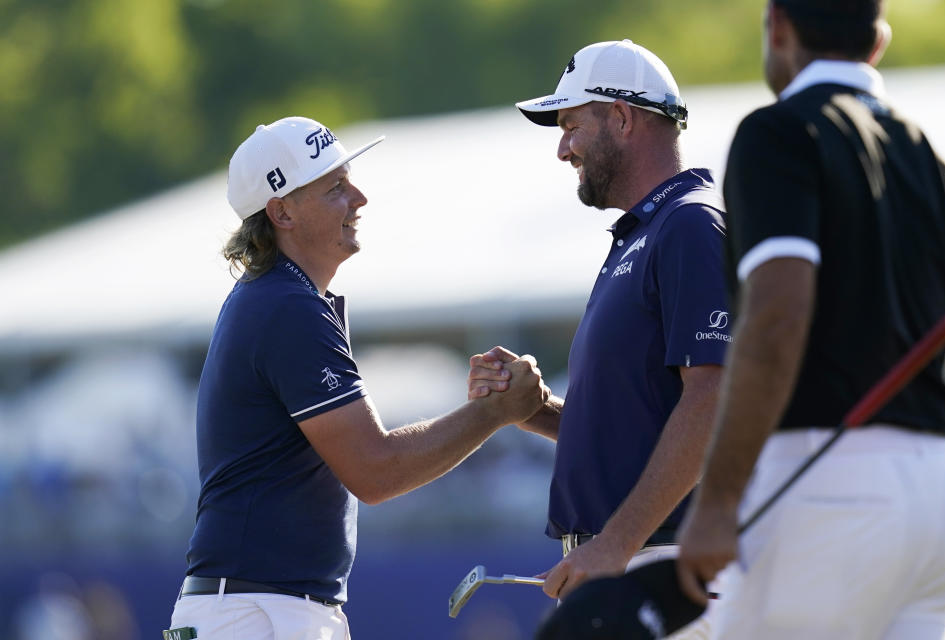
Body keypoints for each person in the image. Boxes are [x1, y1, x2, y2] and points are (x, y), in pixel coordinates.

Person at [165, 116, 550, 640]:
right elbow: (376, 471)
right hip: (260, 611)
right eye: (335, 188)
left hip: (258, 605)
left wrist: (493, 412)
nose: (360, 198)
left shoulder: (279, 299)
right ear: (282, 211)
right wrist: (494, 412)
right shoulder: (286, 306)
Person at [676, 1, 945, 638]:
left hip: (829, 488)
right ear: (878, 41)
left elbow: (776, 317)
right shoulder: (932, 163)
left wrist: (717, 500)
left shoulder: (777, 134)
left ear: (778, 26)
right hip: (938, 500)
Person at [470, 40, 730, 637]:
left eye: (569, 125)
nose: (562, 149)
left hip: (663, 566)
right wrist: (531, 411)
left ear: (621, 116)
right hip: (630, 559)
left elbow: (713, 400)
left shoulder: (688, 224)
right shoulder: (645, 234)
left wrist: (614, 545)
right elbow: (638, 424)